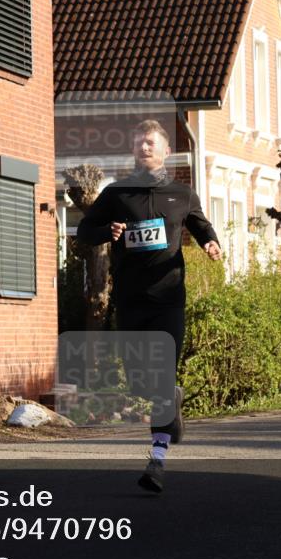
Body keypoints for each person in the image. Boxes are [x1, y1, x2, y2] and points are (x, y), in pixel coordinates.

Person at [76, 119, 222, 493]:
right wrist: (104, 233)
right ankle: (170, 395)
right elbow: (84, 232)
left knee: (158, 375)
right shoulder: (117, 194)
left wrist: (210, 243)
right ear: (133, 150)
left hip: (168, 298)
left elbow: (201, 225)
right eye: (139, 143)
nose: (145, 149)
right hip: (130, 298)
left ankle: (157, 460)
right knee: (141, 380)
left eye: (151, 143)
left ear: (165, 151)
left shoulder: (181, 194)